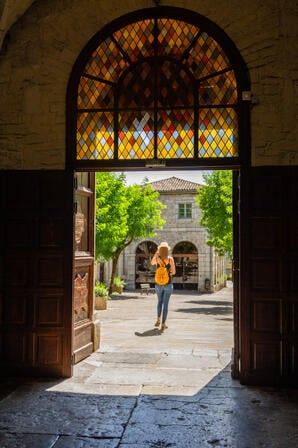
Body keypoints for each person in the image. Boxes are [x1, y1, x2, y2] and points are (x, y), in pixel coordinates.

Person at [151, 241, 176, 331]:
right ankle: (163, 324)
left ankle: (158, 319)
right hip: (168, 284)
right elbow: (174, 272)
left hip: (158, 285)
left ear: (160, 249)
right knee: (165, 304)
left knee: (159, 302)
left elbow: (152, 263)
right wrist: (168, 272)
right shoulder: (170, 259)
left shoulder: (157, 259)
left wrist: (156, 253)